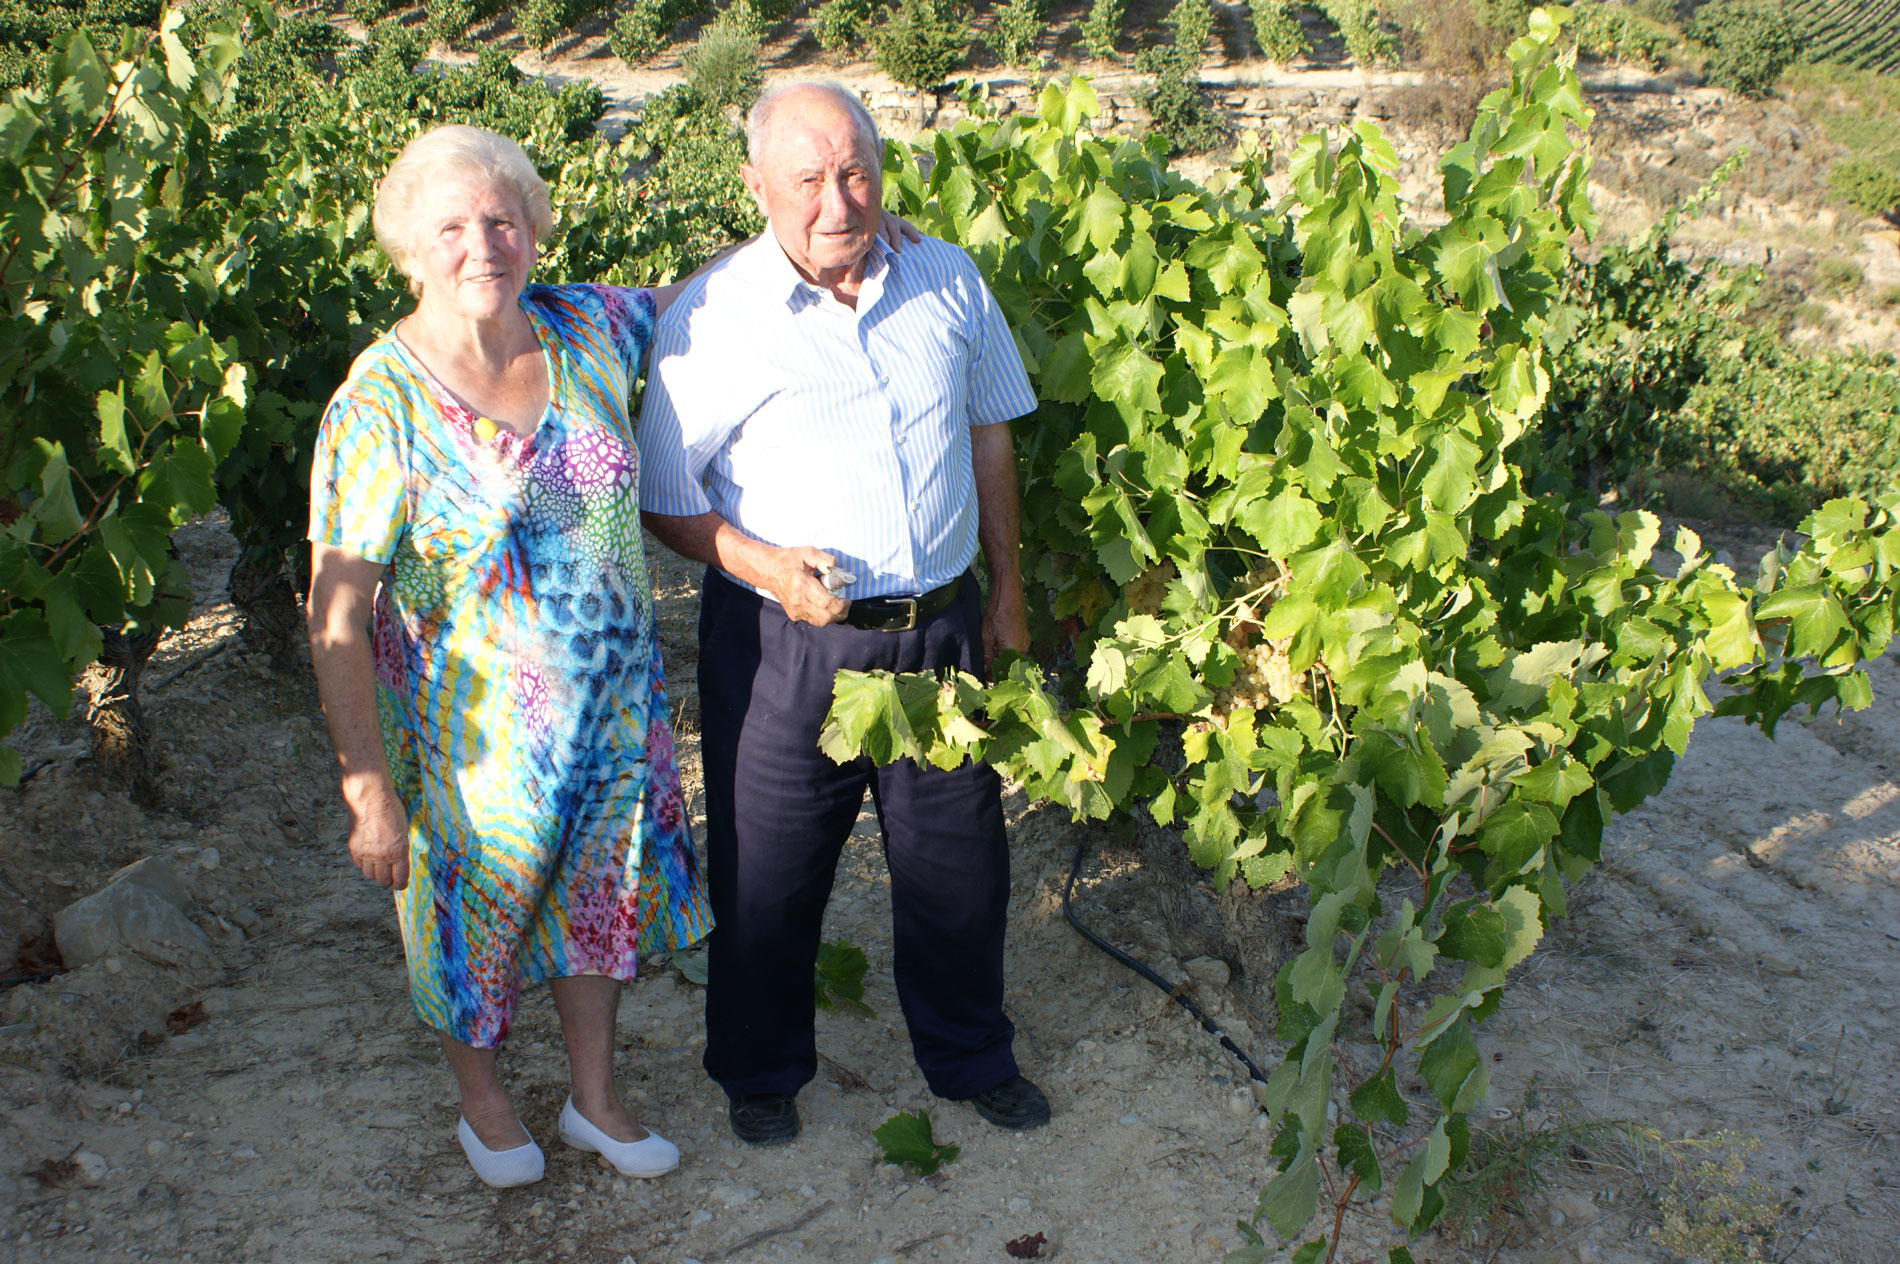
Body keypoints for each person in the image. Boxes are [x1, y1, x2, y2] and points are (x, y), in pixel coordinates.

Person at [305, 123, 915, 1187]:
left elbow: (703, 293)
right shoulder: (378, 403)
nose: (481, 245)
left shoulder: (584, 324)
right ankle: (486, 1106)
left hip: (611, 715)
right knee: (472, 926)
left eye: (502, 219)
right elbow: (337, 612)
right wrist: (366, 788)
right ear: (408, 250)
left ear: (534, 230)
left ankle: (593, 1099)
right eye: (450, 227)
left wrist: (828, 223)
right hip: (471, 742)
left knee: (599, 907)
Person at [637, 81, 1049, 1147]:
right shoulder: (712, 320)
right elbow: (669, 502)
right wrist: (767, 566)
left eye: (856, 171)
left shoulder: (946, 277)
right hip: (785, 646)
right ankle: (760, 1068)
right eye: (808, 178)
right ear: (756, 186)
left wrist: (1005, 592)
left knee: (959, 863)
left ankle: (970, 1055)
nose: (837, 200)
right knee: (767, 868)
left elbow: (991, 430)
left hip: (939, 633)